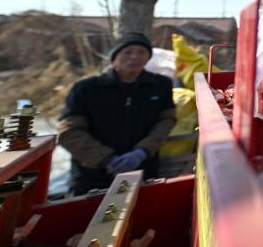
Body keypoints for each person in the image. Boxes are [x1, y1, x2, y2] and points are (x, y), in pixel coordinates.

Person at [58, 33, 176, 194]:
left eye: (141, 52)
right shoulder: (86, 89)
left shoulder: (160, 85)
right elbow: (70, 131)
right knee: (100, 217)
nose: (135, 57)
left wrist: (142, 152)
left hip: (141, 170)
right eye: (127, 52)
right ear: (114, 56)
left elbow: (166, 119)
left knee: (135, 214)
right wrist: (107, 159)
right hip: (93, 175)